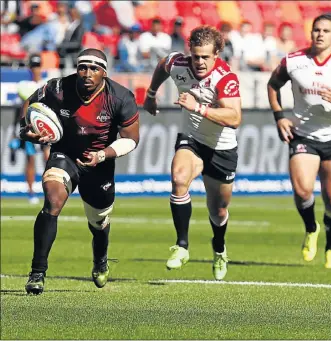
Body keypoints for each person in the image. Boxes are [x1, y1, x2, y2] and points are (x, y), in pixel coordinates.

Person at [20, 48, 140, 294]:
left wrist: (102, 154)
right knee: (52, 201)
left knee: (98, 223)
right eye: (83, 67)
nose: (87, 73)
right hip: (66, 155)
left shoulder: (120, 97)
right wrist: (27, 129)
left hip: (100, 163)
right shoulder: (58, 88)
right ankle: (37, 273)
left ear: (103, 73)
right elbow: (30, 104)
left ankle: (100, 260)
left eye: (94, 69)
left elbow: (132, 139)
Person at [267, 14, 331, 269]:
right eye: (316, 30)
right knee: (302, 191)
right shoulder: (294, 61)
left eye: (325, 31)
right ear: (311, 34)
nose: (320, 34)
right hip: (303, 136)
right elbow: (273, 85)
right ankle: (311, 228)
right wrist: (279, 116)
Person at [143, 25, 241, 280]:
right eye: (195, 55)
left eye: (205, 57)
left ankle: (219, 250)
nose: (199, 62)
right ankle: (182, 246)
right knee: (178, 179)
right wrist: (151, 94)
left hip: (221, 149)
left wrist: (199, 108)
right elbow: (163, 64)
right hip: (192, 140)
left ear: (217, 54)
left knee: (218, 211)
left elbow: (234, 117)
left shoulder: (225, 78)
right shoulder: (178, 63)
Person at [9, 53, 50, 204]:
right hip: (30, 127)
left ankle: (50, 190)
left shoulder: (46, 83)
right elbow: (29, 96)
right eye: (33, 66)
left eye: (38, 66)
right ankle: (31, 192)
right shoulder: (23, 84)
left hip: (45, 127)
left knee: (49, 159)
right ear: (30, 68)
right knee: (31, 160)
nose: (36, 69)